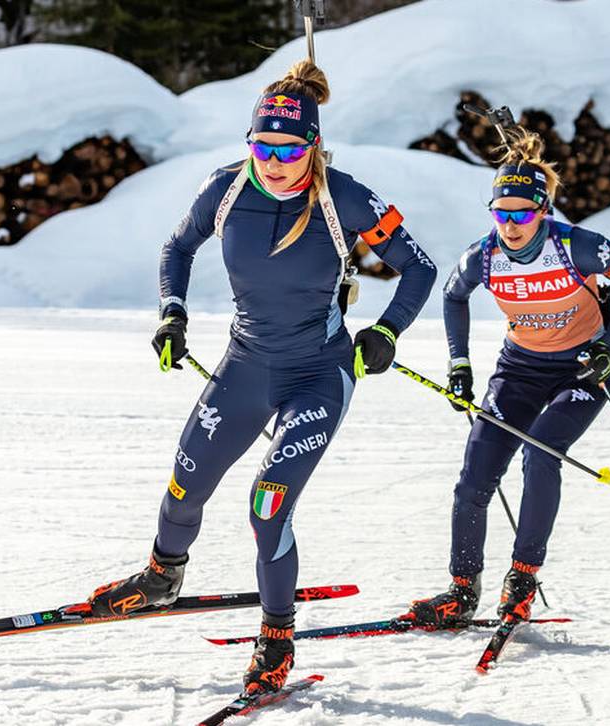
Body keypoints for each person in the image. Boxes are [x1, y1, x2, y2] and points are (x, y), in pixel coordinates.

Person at [86, 59, 437, 694]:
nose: (273, 162)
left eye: (288, 148)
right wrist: (173, 313)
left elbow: (419, 268)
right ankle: (163, 575)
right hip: (246, 365)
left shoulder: (344, 196)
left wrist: (386, 332)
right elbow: (177, 247)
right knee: (184, 482)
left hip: (317, 373)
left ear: (313, 148)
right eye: (261, 146)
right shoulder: (223, 190)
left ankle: (276, 639)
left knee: (267, 504)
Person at [403, 124, 610, 628]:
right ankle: (461, 589)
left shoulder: (578, 247)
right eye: (501, 214)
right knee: (473, 479)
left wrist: (608, 345)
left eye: (521, 214)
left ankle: (520, 580)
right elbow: (452, 297)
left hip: (581, 371)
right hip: (518, 369)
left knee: (541, 453)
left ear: (543, 212)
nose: (510, 225)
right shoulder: (483, 256)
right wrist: (460, 364)